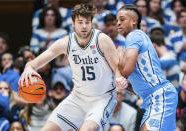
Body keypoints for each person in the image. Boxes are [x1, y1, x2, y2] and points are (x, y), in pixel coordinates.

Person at [19, 3, 127, 131]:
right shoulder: (65, 43)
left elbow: (116, 67)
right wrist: (28, 68)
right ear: (73, 23)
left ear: (92, 23)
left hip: (102, 98)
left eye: (87, 22)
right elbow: (34, 63)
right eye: (80, 22)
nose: (84, 26)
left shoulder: (102, 40)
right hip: (78, 97)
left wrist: (119, 78)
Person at [116, 5, 178, 131]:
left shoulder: (134, 36)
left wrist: (118, 56)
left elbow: (126, 71)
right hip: (153, 98)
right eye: (117, 20)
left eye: (122, 19)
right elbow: (136, 85)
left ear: (134, 20)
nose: (118, 23)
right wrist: (125, 85)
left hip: (160, 96)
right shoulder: (135, 39)